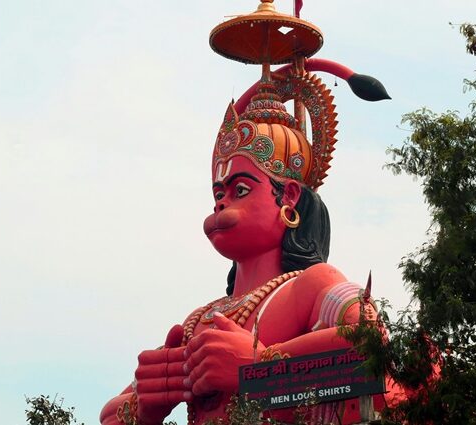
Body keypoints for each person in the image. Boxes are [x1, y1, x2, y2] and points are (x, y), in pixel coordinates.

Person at [100, 91, 404, 425]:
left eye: (240, 190)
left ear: (288, 197)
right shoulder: (198, 321)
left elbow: (368, 342)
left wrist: (259, 366)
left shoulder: (313, 283)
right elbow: (109, 415)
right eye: (218, 194)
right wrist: (147, 406)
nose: (220, 203)